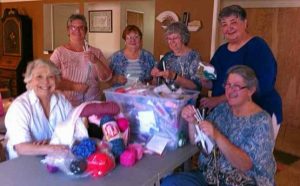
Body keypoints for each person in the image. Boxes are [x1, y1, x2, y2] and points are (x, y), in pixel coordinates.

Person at [162, 65, 276, 186]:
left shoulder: (261, 121)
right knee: (170, 183)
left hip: (243, 181)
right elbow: (198, 142)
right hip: (211, 175)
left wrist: (216, 135)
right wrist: (192, 122)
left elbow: (245, 165)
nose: (230, 90)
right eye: (228, 85)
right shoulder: (222, 109)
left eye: (236, 86)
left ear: (251, 90)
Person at [200, 5, 282, 138]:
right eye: (224, 24)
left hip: (260, 113)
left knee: (253, 156)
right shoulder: (221, 51)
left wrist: (218, 100)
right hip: (230, 114)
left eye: (233, 22)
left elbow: (263, 85)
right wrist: (205, 80)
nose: (229, 28)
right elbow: (214, 83)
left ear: (245, 23)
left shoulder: (258, 47)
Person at [5, 59, 72, 159]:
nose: (45, 82)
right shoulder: (20, 106)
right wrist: (51, 147)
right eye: (39, 76)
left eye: (50, 77)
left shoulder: (62, 101)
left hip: (55, 159)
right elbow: (21, 148)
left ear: (56, 80)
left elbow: (75, 130)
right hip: (23, 163)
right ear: (29, 81)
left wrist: (50, 142)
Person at [50, 14, 112, 106]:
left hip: (92, 105)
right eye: (73, 27)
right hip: (67, 106)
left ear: (85, 30)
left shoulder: (96, 52)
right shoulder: (59, 52)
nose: (77, 30)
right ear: (68, 30)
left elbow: (107, 77)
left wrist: (96, 61)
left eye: (81, 27)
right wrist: (74, 87)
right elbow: (50, 79)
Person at [151, 22, 202, 90]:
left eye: (175, 38)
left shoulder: (195, 57)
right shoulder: (167, 57)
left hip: (186, 99)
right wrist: (155, 76)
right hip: (167, 99)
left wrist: (174, 76)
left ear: (183, 38)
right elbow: (155, 84)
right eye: (169, 38)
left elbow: (197, 86)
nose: (172, 41)